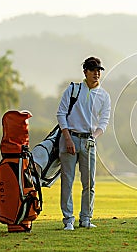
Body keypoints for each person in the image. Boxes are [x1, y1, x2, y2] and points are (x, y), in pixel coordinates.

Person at [56, 56, 111, 230]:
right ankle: (68, 220)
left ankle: (86, 218)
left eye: (98, 71)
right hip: (69, 139)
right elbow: (61, 114)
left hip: (89, 141)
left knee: (89, 183)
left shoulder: (103, 95)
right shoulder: (73, 89)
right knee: (68, 180)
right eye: (93, 70)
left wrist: (93, 137)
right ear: (85, 71)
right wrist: (67, 138)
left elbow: (104, 121)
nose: (96, 73)